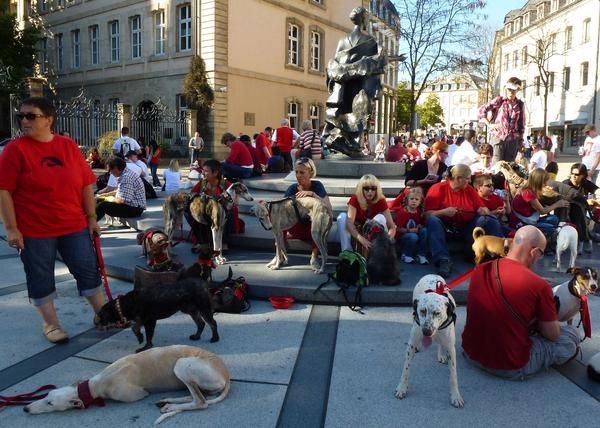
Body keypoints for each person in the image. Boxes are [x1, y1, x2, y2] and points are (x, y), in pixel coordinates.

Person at [0, 97, 105, 344]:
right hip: (34, 229)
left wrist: (91, 218)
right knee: (40, 275)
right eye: (21, 116)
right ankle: (51, 324)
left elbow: (86, 185)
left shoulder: (67, 146)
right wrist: (11, 228)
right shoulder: (16, 150)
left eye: (31, 116)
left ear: (49, 119)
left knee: (87, 269)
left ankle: (103, 313)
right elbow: (4, 190)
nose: (24, 121)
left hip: (74, 225)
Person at [462, 226, 579, 380]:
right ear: (534, 252)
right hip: (510, 365)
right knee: (570, 335)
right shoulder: (539, 285)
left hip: (471, 353)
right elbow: (552, 335)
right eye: (541, 254)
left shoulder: (480, 270)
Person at [424, 164, 503, 277]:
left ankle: (496, 255)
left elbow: (481, 207)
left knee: (489, 220)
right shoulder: (438, 189)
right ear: (458, 178)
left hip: (465, 228)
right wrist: (443, 212)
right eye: (467, 178)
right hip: (444, 229)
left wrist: (483, 210)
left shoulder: (469, 190)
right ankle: (443, 260)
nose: (469, 180)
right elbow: (426, 215)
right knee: (433, 221)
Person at [281, 158, 332, 268]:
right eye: (297, 172)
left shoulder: (317, 186)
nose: (298, 176)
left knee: (321, 218)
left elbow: (329, 209)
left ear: (311, 173)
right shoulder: (292, 188)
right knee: (279, 215)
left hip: (313, 229)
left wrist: (313, 194)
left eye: (302, 172)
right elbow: (280, 211)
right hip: (296, 228)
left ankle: (314, 257)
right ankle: (280, 252)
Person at [337, 174, 396, 252]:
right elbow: (349, 223)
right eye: (366, 188)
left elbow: (392, 226)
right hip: (356, 229)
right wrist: (360, 238)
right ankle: (347, 252)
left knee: (380, 218)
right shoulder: (355, 198)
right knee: (342, 217)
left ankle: (377, 250)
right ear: (361, 190)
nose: (370, 191)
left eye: (373, 188)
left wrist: (387, 239)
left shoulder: (381, 200)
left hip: (372, 232)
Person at [478, 77, 526, 163]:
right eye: (509, 89)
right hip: (498, 138)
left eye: (513, 90)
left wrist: (521, 142)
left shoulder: (520, 104)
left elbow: (521, 125)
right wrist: (489, 124)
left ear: (518, 90)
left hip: (512, 141)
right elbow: (482, 110)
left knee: (509, 168)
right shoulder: (499, 100)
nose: (510, 92)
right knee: (497, 166)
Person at [509, 169, 569, 236]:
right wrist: (557, 204)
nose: (546, 184)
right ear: (538, 182)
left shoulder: (527, 188)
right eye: (544, 182)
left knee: (554, 219)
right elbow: (542, 211)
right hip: (521, 223)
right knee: (550, 229)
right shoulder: (528, 193)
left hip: (528, 219)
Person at [96, 157, 146, 221]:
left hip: (135, 209)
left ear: (116, 168)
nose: (110, 173)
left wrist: (108, 198)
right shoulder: (125, 174)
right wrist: (103, 195)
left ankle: (90, 225)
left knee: (102, 205)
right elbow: (119, 191)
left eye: (110, 170)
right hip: (133, 206)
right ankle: (91, 223)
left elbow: (123, 200)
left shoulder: (126, 177)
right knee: (100, 200)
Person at [562, 163, 598, 252]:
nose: (573, 176)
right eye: (572, 173)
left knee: (580, 220)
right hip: (565, 207)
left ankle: (583, 244)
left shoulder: (585, 183)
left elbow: (597, 190)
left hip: (580, 208)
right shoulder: (566, 183)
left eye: (577, 174)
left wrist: (593, 201)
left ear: (583, 175)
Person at [394, 187, 428, 264]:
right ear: (407, 200)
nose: (414, 201)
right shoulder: (403, 212)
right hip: (403, 236)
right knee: (413, 236)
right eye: (411, 199)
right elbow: (398, 229)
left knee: (425, 231)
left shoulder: (419, 212)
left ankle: (421, 254)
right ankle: (406, 254)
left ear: (420, 202)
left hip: (414, 234)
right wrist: (410, 230)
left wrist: (420, 226)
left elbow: (421, 224)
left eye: (416, 199)